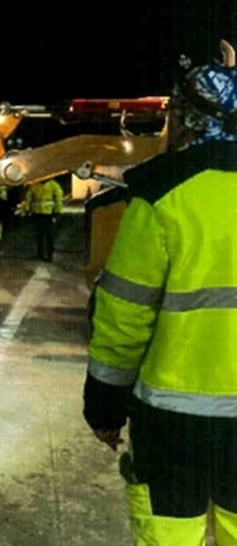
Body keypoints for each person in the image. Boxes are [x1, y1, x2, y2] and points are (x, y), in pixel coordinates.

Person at [83, 40, 237, 545]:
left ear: (185, 120)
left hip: (173, 425)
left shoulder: (159, 193)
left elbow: (124, 317)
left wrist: (104, 408)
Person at [20, 177, 64, 261]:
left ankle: (49, 255)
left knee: (49, 236)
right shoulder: (35, 185)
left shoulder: (53, 185)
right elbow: (28, 198)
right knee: (39, 236)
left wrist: (58, 212)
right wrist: (27, 210)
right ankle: (40, 254)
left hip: (49, 214)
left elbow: (59, 199)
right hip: (38, 214)